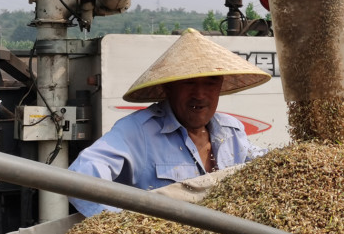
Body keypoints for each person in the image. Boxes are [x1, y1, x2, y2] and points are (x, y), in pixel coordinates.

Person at [68, 28, 271, 217]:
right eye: (189, 82)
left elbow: (266, 163)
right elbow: (82, 176)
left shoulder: (231, 131)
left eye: (210, 82)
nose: (200, 95)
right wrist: (121, 228)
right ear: (168, 88)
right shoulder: (138, 132)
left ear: (220, 87)